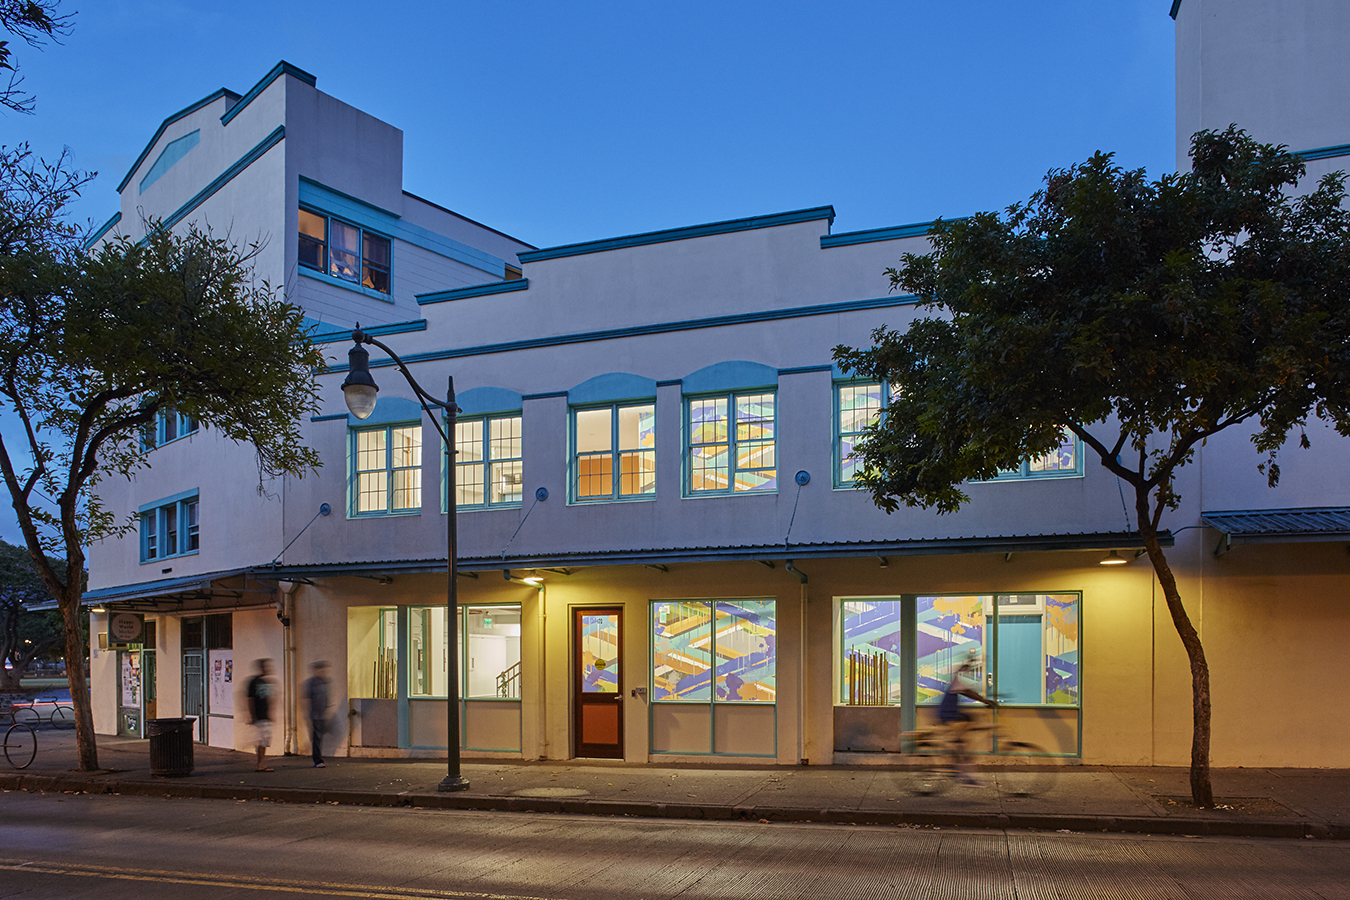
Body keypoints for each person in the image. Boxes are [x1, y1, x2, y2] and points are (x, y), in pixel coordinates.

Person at [937, 654, 997, 785]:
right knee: (962, 745)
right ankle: (964, 772)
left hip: (951, 715)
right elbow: (969, 692)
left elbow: (969, 691)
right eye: (966, 670)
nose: (968, 673)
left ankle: (958, 758)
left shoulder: (955, 682)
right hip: (949, 717)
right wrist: (986, 701)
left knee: (969, 720)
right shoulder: (956, 683)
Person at [245, 658, 275, 772]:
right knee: (261, 740)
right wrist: (252, 715)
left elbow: (268, 699)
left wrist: (271, 712)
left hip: (265, 715)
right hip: (259, 716)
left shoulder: (266, 682)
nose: (268, 669)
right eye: (266, 666)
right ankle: (260, 764)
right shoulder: (254, 682)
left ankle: (261, 762)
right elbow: (250, 699)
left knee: (265, 740)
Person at [303, 660, 331, 768]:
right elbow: (306, 699)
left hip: (322, 714)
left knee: (319, 737)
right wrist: (306, 715)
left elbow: (326, 698)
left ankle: (318, 758)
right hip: (315, 715)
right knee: (317, 738)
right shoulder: (311, 683)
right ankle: (318, 760)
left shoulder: (326, 682)